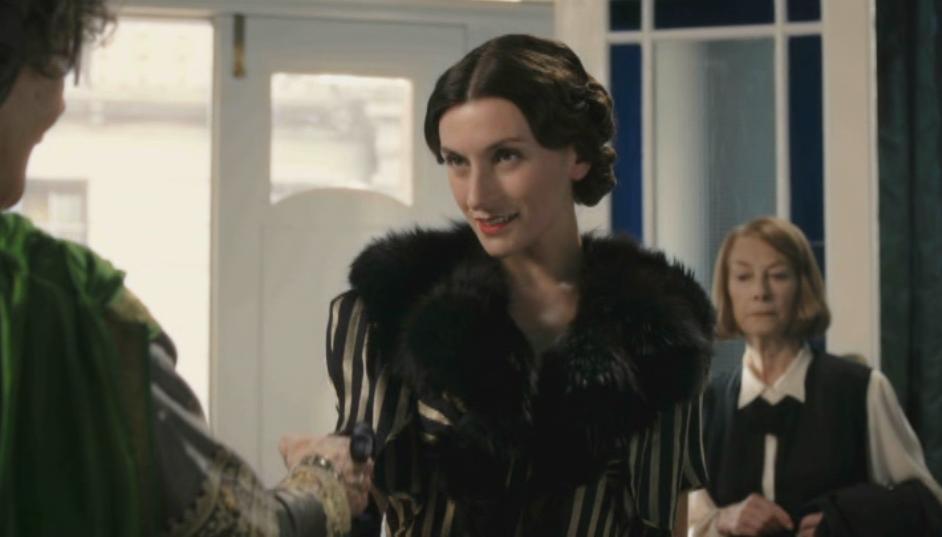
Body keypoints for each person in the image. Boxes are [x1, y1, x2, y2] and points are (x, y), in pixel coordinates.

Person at [0, 0, 372, 535]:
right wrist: (324, 478)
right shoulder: (65, 305)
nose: (59, 102)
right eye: (53, 64)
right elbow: (233, 528)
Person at [324, 34, 714, 537]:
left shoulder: (665, 333)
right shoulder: (386, 310)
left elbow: (666, 520)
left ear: (577, 156)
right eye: (456, 161)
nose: (477, 195)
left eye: (505, 156)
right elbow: (351, 490)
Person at [689, 216, 942, 537]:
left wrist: (846, 519)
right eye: (743, 276)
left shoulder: (862, 390)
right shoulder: (703, 407)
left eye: (777, 275)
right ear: (726, 290)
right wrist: (722, 519)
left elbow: (927, 506)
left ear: (803, 286)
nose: (760, 292)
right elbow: (680, 522)